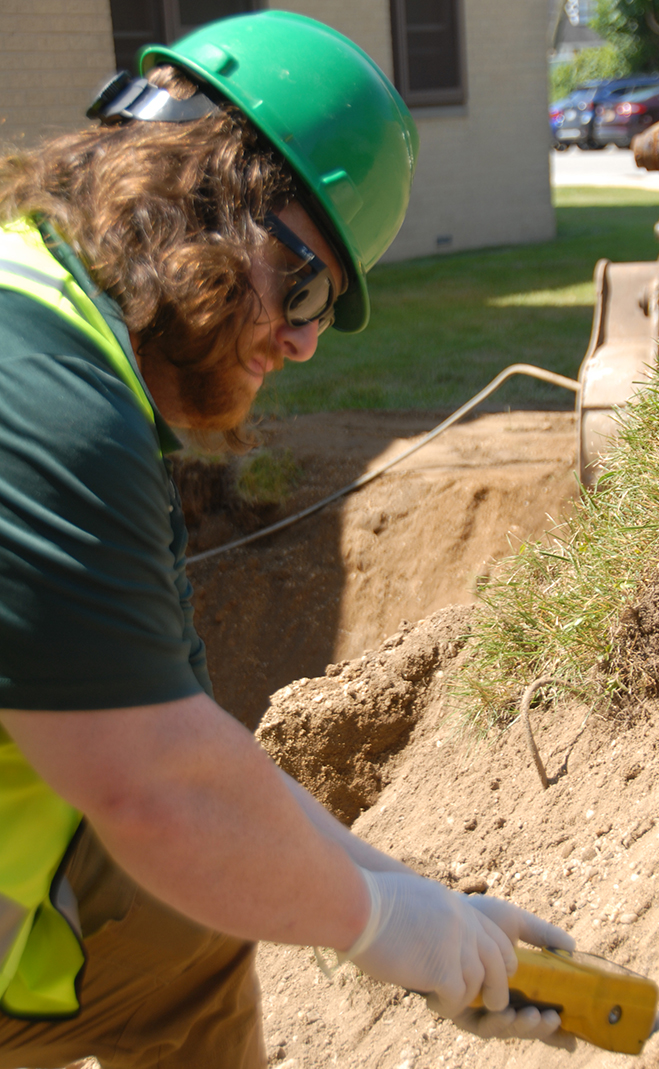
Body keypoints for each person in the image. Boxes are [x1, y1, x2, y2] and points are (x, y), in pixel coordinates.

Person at [0, 12, 574, 1068]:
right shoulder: (47, 401)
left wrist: (406, 892)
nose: (305, 341)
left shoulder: (50, 326)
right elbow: (158, 791)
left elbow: (191, 759)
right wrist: (381, 927)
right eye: (304, 284)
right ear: (200, 194)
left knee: (182, 918)